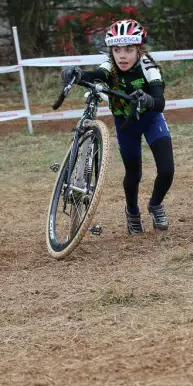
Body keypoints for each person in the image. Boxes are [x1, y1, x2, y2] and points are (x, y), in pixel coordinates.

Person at [61, 19, 174, 235]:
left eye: (129, 50)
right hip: (126, 124)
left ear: (139, 50)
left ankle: (155, 204)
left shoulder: (148, 66)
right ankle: (132, 212)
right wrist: (75, 73)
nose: (122, 55)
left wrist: (148, 99)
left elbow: (160, 102)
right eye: (117, 49)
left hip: (151, 120)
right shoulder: (109, 68)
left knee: (167, 170)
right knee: (134, 173)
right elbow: (93, 75)